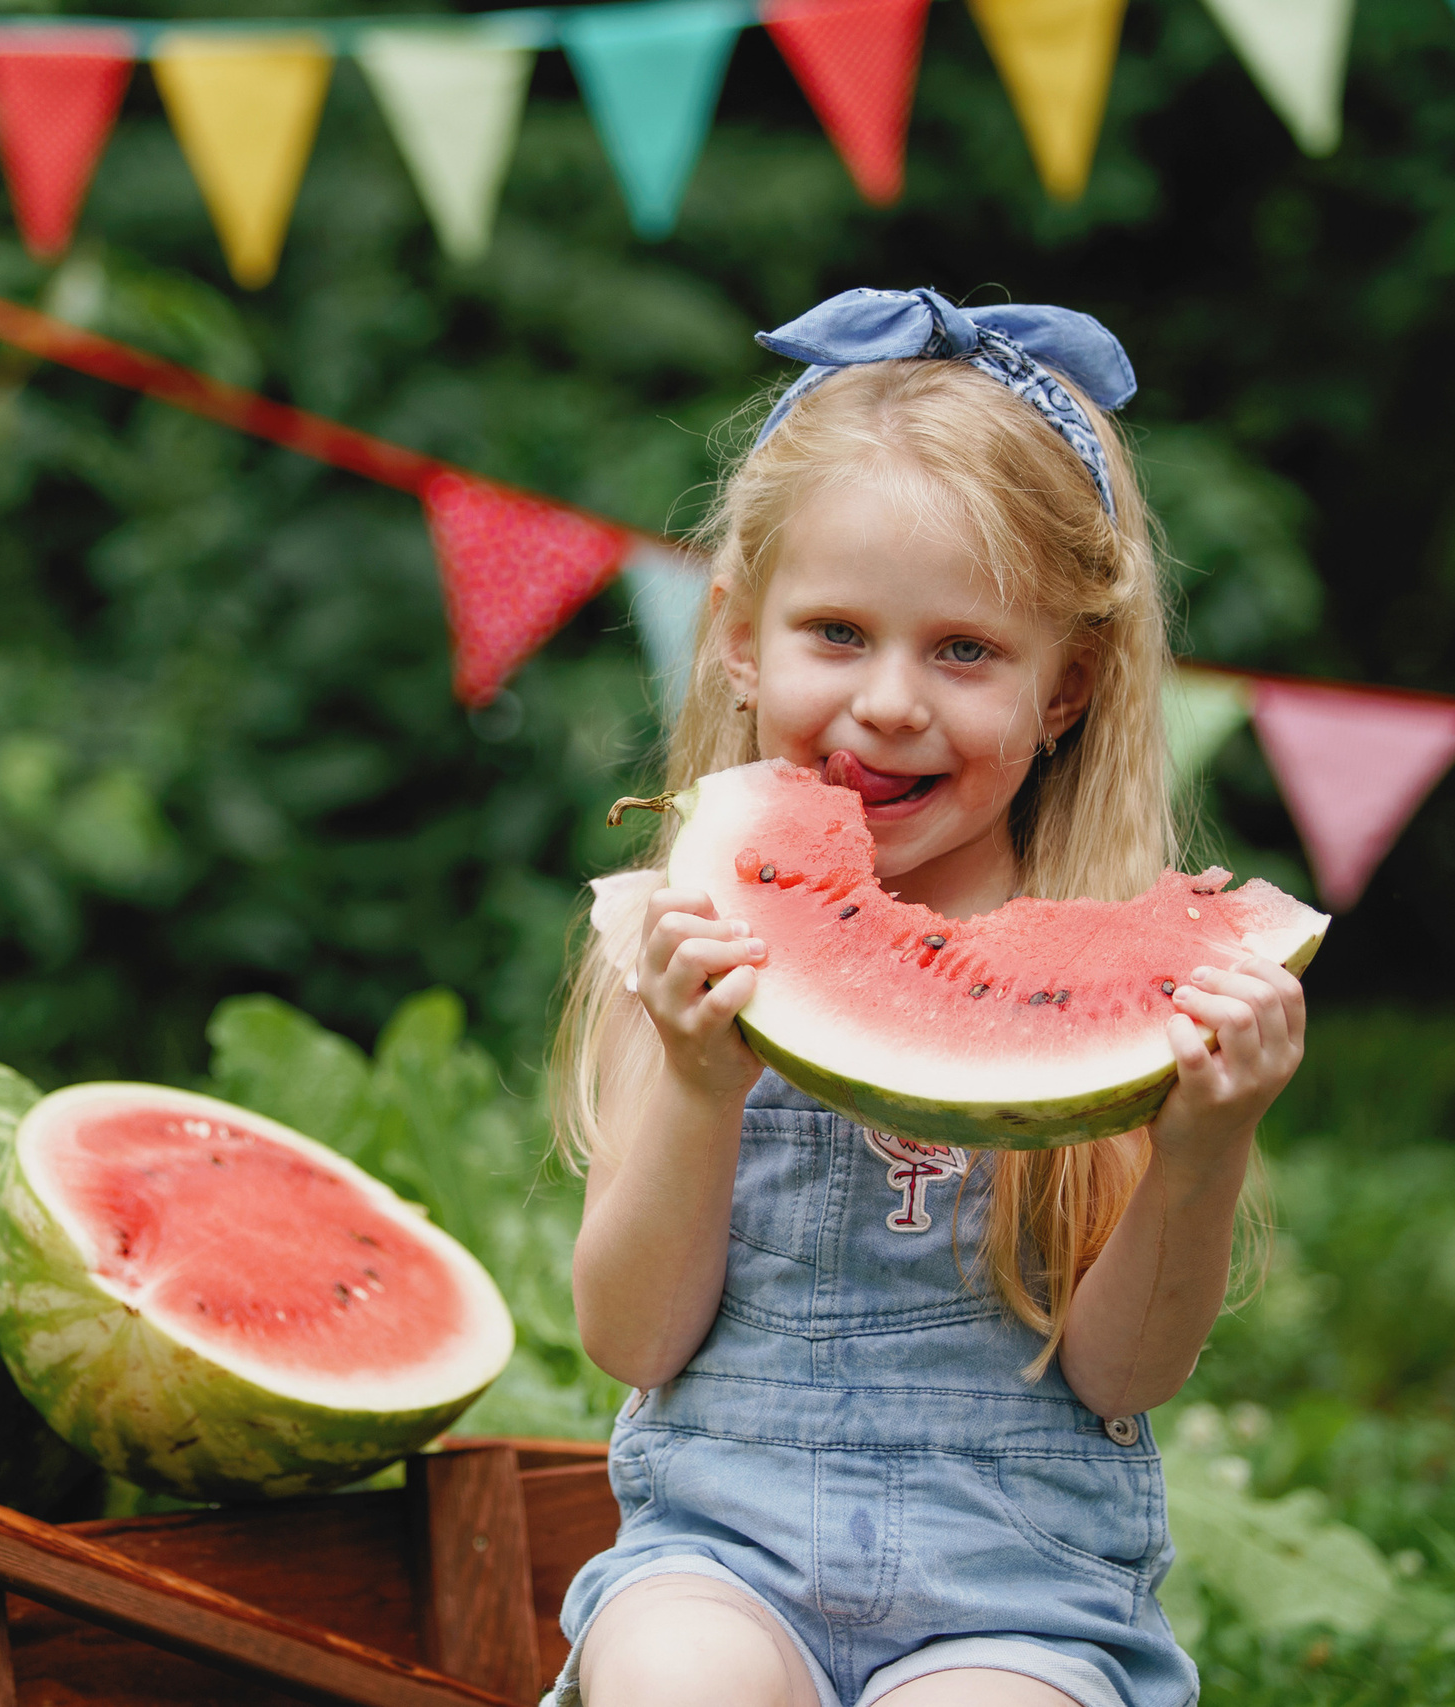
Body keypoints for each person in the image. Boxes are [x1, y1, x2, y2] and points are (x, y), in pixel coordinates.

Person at [546, 288, 1307, 1707]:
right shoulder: (689, 939)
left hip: (1019, 1600)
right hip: (728, 1560)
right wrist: (703, 1085)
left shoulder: (1113, 977)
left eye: (965, 651)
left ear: (1065, 689)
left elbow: (1120, 1374)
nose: (892, 703)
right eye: (837, 632)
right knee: (670, 1677)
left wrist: (1208, 1141)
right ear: (736, 637)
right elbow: (635, 1340)